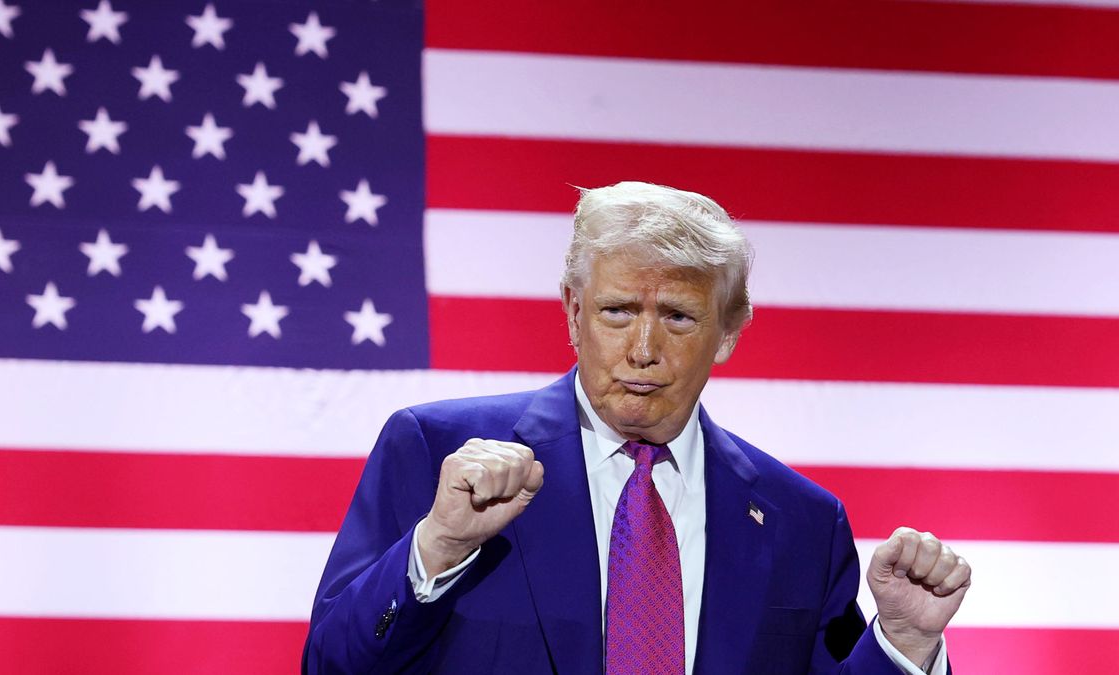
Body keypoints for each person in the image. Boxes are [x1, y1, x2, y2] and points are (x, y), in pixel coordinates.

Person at [302, 182, 971, 674]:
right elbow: (331, 663)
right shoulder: (436, 452)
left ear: (729, 332)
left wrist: (904, 644)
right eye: (617, 310)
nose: (643, 347)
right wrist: (438, 544)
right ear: (572, 312)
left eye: (678, 316)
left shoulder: (802, 520)